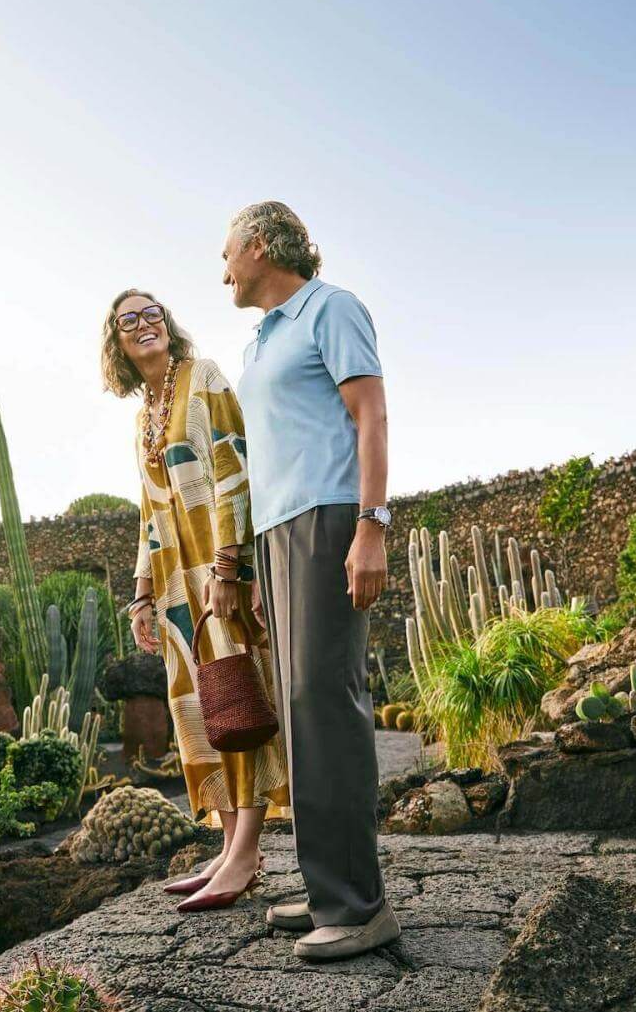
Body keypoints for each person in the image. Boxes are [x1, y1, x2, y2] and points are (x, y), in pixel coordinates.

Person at [224, 201, 399, 961]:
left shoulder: (330, 308)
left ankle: (359, 907)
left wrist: (371, 524)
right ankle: (328, 885)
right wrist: (261, 565)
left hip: (329, 518)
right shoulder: (263, 339)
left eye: (227, 252)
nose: (223, 269)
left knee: (326, 702)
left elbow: (371, 416)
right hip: (280, 531)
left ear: (261, 244)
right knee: (300, 710)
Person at [102, 288, 291, 913]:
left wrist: (231, 567)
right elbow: (148, 512)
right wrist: (142, 596)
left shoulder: (203, 377)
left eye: (151, 313)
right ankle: (230, 844)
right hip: (173, 581)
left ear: (167, 323)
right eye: (128, 320)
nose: (144, 324)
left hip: (216, 568)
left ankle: (247, 852)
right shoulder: (143, 417)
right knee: (203, 711)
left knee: (239, 696)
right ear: (117, 343)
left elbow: (236, 468)